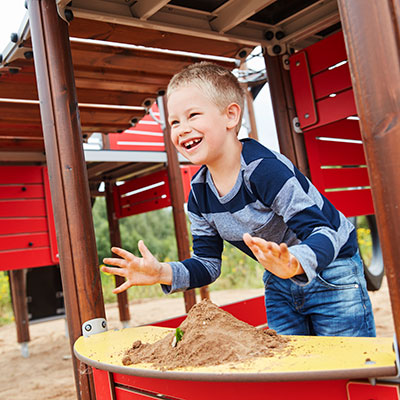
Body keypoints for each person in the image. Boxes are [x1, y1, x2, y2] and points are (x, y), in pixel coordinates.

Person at [102, 62, 376, 337]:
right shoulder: (199, 194)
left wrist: (294, 262)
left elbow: (324, 231)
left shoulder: (264, 170)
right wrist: (162, 272)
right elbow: (207, 265)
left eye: (193, 115)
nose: (181, 129)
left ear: (230, 116)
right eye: (174, 122)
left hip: (332, 267)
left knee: (348, 363)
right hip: (279, 276)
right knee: (292, 365)